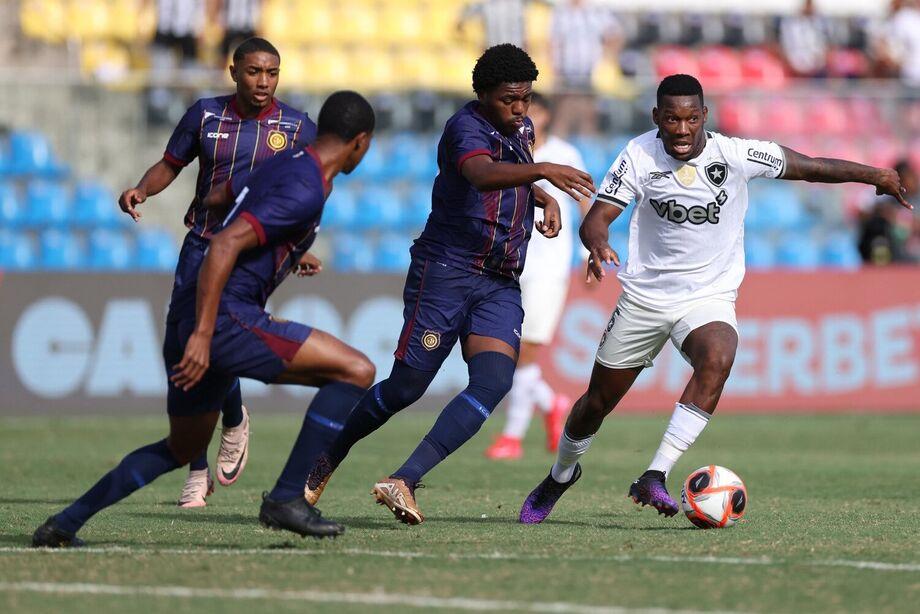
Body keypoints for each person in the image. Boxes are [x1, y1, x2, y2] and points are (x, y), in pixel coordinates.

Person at [519, 74, 913, 524]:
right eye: (672, 119)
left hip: (709, 294)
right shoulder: (638, 155)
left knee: (719, 356)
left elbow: (811, 167)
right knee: (596, 403)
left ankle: (655, 474)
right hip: (646, 297)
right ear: (657, 117)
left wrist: (875, 175)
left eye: (691, 119)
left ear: (704, 116)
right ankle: (561, 474)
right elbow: (597, 218)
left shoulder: (735, 154)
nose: (682, 129)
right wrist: (598, 243)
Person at [32, 91, 377, 547]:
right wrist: (205, 333)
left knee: (180, 448)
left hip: (190, 313)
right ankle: (287, 498)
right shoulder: (308, 185)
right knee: (356, 371)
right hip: (225, 319)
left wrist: (282, 246)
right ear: (360, 142)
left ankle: (62, 525)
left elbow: (219, 196)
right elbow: (225, 243)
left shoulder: (287, 161)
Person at [302, 44, 595, 526]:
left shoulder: (521, 128)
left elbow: (512, 176)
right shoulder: (465, 127)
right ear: (483, 94)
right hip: (448, 271)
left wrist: (541, 197)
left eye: (525, 97)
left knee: (494, 381)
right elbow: (480, 174)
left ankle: (404, 479)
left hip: (499, 279)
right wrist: (542, 171)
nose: (519, 108)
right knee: (406, 388)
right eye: (508, 99)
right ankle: (327, 456)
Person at [117, 37, 322, 508]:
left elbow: (309, 190)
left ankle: (218, 439)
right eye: (254, 71)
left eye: (272, 73)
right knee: (185, 348)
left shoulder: (296, 127)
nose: (264, 82)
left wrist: (297, 248)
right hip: (202, 244)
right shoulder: (206, 115)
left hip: (252, 253)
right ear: (234, 72)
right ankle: (202, 459)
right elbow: (170, 164)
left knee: (215, 345)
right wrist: (142, 189)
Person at [485, 92, 591, 460]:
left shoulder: (565, 154)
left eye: (535, 110)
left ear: (545, 116)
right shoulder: (506, 149)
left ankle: (512, 436)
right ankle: (551, 403)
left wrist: (587, 252)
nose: (528, 116)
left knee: (524, 352)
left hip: (548, 267)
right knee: (507, 350)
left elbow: (584, 201)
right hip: (508, 262)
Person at [550, 0, 622, 136]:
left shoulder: (596, 10)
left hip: (592, 73)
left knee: (588, 114)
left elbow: (615, 35)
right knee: (563, 113)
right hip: (566, 73)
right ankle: (559, 145)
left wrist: (607, 60)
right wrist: (555, 69)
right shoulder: (561, 12)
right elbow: (553, 43)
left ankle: (587, 146)